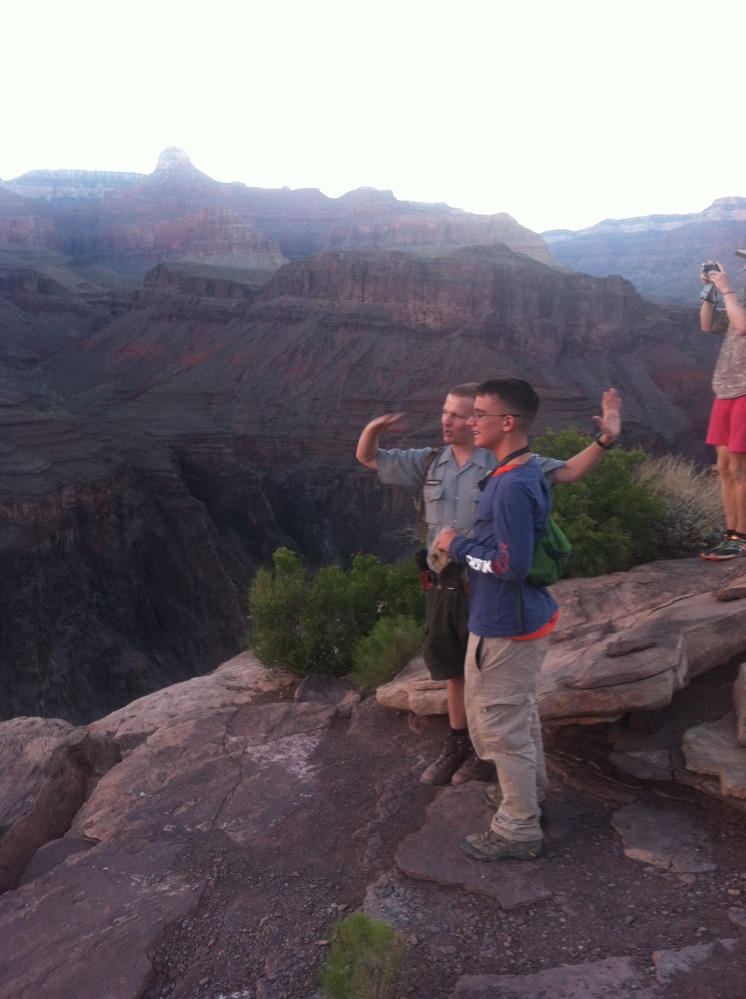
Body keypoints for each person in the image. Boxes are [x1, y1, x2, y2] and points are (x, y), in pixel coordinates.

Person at [356, 383, 621, 786]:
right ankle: (459, 743)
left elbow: (568, 471)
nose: (450, 420)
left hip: (485, 585)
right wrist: (374, 427)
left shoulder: (502, 463)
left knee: (484, 671)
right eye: (447, 412)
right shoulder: (429, 463)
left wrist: (604, 441)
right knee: (452, 668)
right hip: (442, 583)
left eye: (463, 414)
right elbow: (368, 458)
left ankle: (488, 753)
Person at [433, 378, 557, 861]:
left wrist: (456, 545)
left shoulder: (508, 486)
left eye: (477, 414)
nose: (468, 422)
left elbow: (510, 566)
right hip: (520, 620)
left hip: (506, 624)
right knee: (520, 716)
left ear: (507, 422)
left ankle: (519, 827)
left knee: (502, 728)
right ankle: (529, 796)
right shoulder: (523, 472)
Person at [699, 251, 746, 560]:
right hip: (724, 392)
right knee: (724, 469)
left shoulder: (737, 305)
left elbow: (742, 327)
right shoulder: (736, 304)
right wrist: (709, 289)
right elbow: (706, 324)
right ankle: (730, 533)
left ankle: (741, 538)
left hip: (744, 393)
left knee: (740, 470)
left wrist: (727, 289)